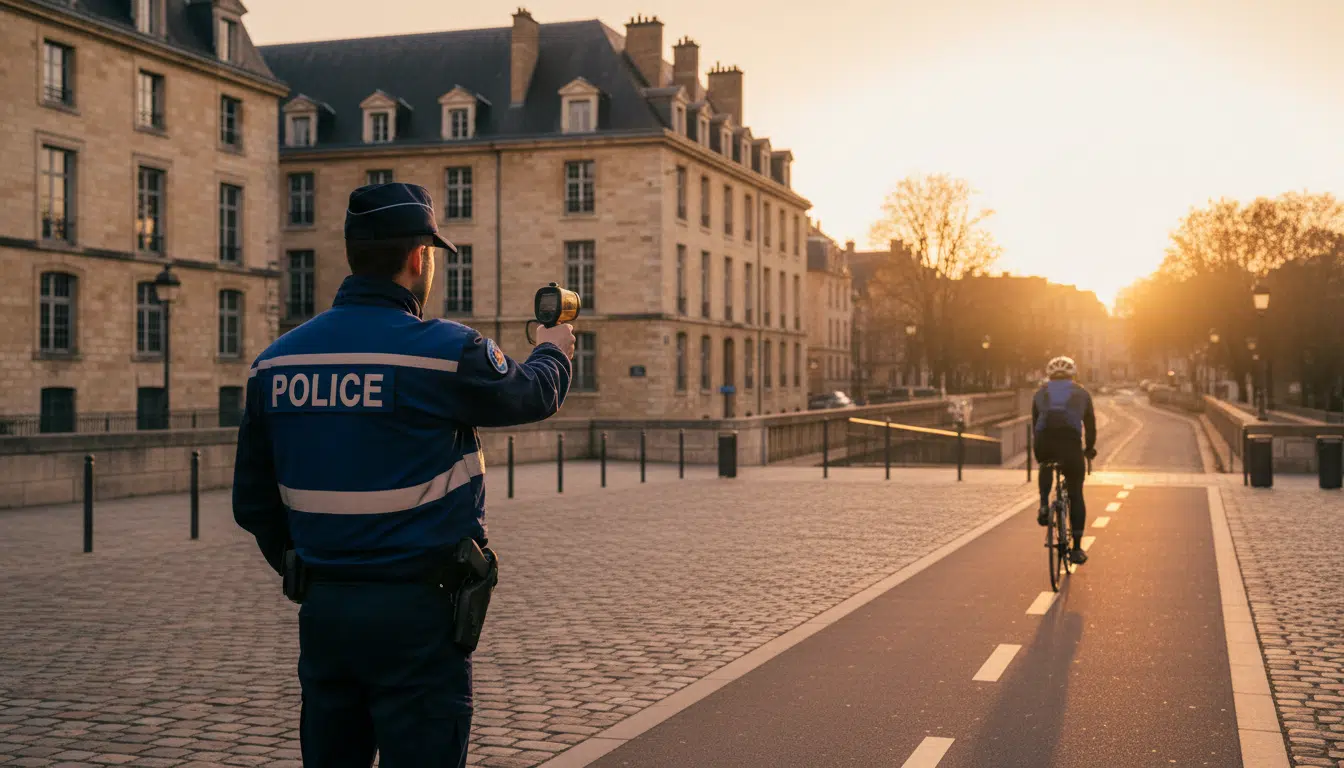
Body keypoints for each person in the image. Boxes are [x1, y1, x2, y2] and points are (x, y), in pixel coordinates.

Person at [232, 182, 575, 767]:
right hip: (418, 615)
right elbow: (529, 397)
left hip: (327, 614)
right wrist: (554, 349)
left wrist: (319, 567)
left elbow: (253, 504)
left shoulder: (276, 362)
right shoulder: (444, 352)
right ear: (420, 256)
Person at [1032, 356, 1097, 565]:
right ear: (1073, 374)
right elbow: (1090, 425)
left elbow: (1035, 425)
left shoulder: (1040, 393)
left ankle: (1043, 505)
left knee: (1045, 464)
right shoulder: (1082, 393)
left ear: (1049, 375)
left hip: (1045, 444)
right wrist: (1089, 449)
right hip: (1070, 446)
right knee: (1076, 493)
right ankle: (1077, 549)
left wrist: (1040, 448)